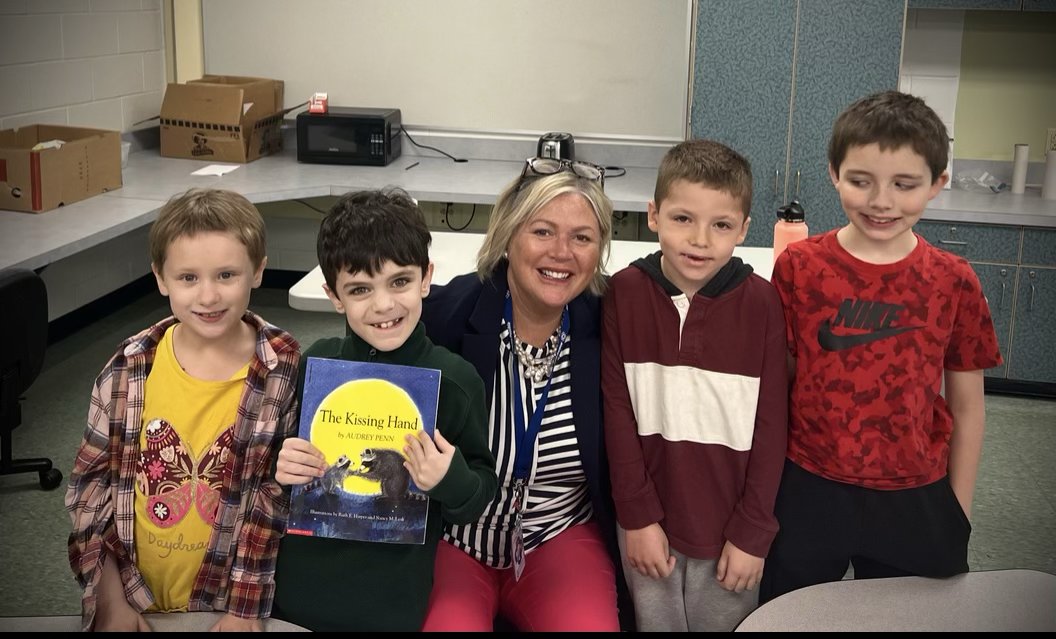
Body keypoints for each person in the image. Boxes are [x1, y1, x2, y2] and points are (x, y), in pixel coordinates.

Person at [759, 90, 1003, 603]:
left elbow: (967, 407)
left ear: (938, 183)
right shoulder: (800, 268)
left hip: (915, 490)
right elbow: (778, 386)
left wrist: (959, 508)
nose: (881, 201)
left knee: (914, 616)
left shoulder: (953, 281)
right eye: (861, 181)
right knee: (789, 610)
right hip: (809, 484)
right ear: (833, 173)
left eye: (904, 184)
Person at [65, 188, 300, 632]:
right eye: (188, 278)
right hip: (134, 594)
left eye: (226, 274)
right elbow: (89, 490)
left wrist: (243, 611)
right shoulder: (127, 366)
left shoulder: (284, 372)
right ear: (160, 278)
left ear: (258, 271)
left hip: (232, 603)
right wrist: (111, 598)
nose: (207, 296)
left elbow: (276, 499)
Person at [270, 188, 497, 632]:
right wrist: (283, 466)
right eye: (359, 289)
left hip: (390, 603)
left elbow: (478, 495)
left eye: (400, 281)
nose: (383, 305)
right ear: (334, 296)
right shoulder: (316, 363)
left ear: (426, 278)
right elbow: (278, 474)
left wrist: (448, 480)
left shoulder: (454, 382)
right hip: (296, 596)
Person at [419, 158, 626, 632]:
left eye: (582, 237)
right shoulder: (448, 316)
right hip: (458, 538)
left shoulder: (610, 325)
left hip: (558, 532)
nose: (562, 253)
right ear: (508, 237)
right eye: (542, 232)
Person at [601, 139, 789, 632]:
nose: (700, 240)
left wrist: (753, 532)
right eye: (683, 218)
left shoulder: (763, 305)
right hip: (648, 524)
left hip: (731, 530)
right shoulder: (624, 293)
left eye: (721, 225)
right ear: (653, 215)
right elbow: (616, 414)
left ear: (744, 230)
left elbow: (772, 428)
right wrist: (637, 519)